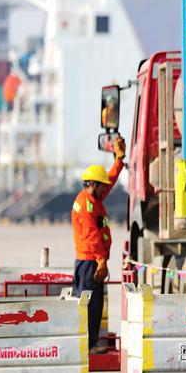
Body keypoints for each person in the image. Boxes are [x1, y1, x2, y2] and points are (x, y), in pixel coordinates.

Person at [73, 136, 126, 354]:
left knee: (94, 305)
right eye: (101, 186)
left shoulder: (94, 199)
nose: (106, 190)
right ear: (92, 185)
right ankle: (89, 345)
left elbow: (110, 180)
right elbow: (92, 236)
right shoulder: (86, 205)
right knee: (90, 306)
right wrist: (101, 261)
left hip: (91, 261)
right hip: (89, 262)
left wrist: (119, 159)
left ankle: (90, 343)